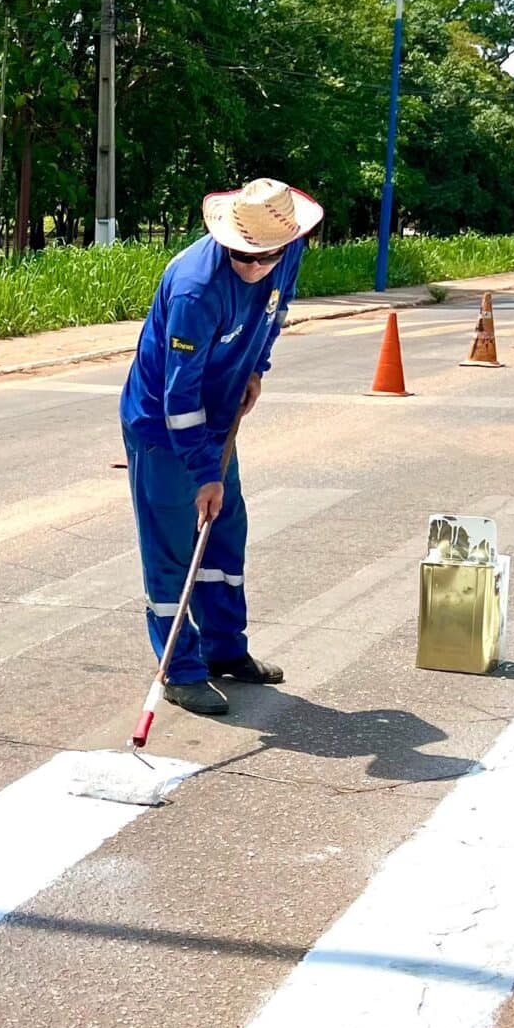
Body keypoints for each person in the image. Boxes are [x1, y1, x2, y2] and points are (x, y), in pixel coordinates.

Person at [118, 177, 321, 717]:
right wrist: (205, 473)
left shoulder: (288, 251)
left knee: (226, 533)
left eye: (263, 259)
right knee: (174, 550)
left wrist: (257, 367)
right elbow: (177, 398)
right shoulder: (194, 289)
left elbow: (276, 313)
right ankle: (180, 671)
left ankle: (224, 649)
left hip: (221, 412)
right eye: (241, 257)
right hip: (164, 428)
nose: (253, 268)